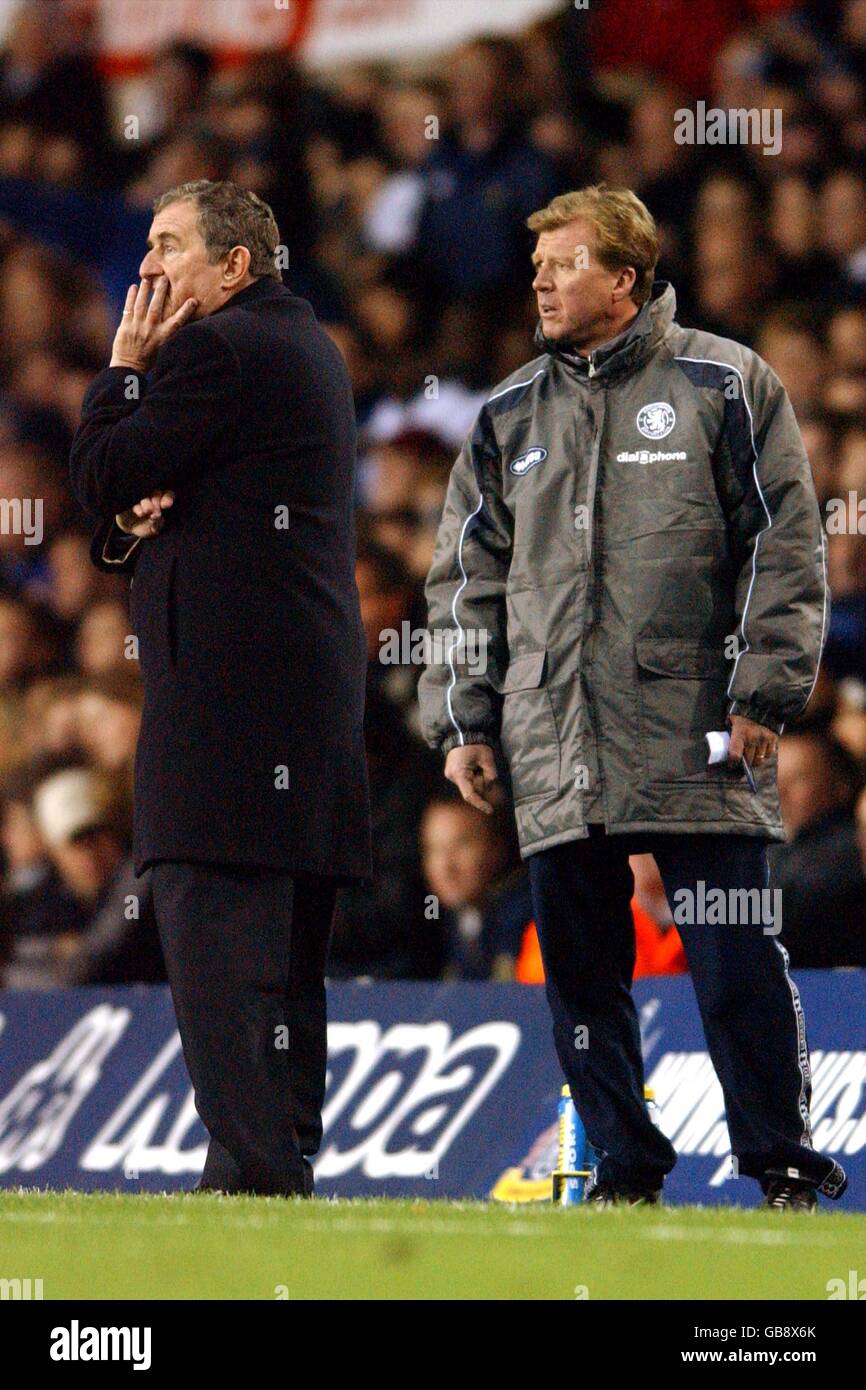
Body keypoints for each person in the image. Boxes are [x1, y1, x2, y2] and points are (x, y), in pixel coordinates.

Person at [420, 184, 847, 1212]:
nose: (539, 279)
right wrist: (463, 715)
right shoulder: (506, 413)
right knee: (579, 975)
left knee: (732, 956)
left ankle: (778, 1159)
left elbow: (783, 544)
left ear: (624, 276)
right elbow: (463, 579)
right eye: (535, 265)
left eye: (563, 262)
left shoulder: (722, 382)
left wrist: (764, 688)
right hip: (550, 730)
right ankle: (623, 1166)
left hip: (695, 726)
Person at [69, 180, 371, 1197]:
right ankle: (263, 1167)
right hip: (302, 706)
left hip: (227, 718)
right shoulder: (304, 348)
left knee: (212, 943)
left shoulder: (215, 350)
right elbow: (148, 506)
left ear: (233, 266)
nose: (147, 267)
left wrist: (120, 374)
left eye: (167, 245)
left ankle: (257, 1173)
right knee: (281, 965)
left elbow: (103, 470)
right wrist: (144, 518)